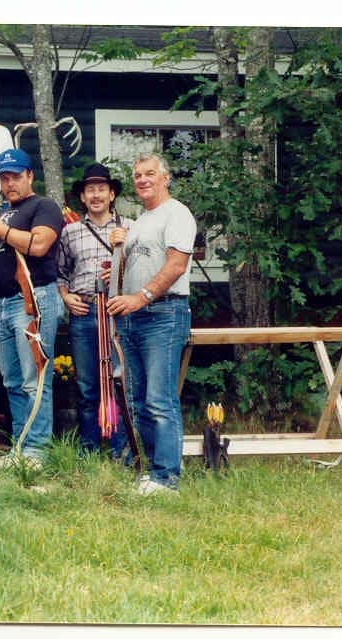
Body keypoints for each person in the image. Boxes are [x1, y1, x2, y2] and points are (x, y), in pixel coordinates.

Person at [0, 149, 64, 469]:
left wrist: (1, 231)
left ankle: (37, 450)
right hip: (4, 303)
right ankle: (20, 449)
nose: (10, 183)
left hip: (33, 300)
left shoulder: (44, 206)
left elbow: (39, 245)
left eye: (16, 177)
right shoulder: (0, 213)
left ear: (30, 176)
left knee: (34, 379)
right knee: (11, 381)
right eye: (5, 177)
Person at [107, 152, 195, 496]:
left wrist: (140, 297)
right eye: (137, 175)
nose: (142, 180)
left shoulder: (177, 214)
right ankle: (148, 470)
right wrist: (115, 269)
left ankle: (167, 478)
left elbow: (175, 266)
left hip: (163, 314)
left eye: (149, 174)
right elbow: (137, 265)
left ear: (165, 177)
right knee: (137, 400)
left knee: (160, 400)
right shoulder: (140, 221)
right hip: (132, 317)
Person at [57, 162, 131, 457]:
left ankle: (120, 448)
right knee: (87, 385)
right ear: (83, 197)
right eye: (91, 190)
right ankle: (88, 449)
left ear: (111, 194)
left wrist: (119, 267)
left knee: (117, 380)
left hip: (117, 312)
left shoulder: (129, 227)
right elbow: (61, 273)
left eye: (102, 189)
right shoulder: (70, 232)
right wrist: (65, 296)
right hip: (84, 313)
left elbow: (142, 268)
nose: (96, 195)